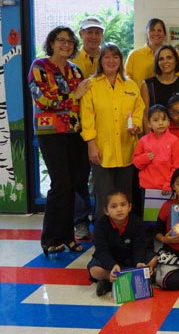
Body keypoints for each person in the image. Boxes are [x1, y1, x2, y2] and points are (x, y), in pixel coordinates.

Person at [28, 26, 91, 256]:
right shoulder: (40, 66)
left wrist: (71, 100)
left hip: (75, 132)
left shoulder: (75, 71)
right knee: (60, 184)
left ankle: (68, 236)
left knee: (74, 184)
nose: (65, 45)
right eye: (60, 40)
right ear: (52, 43)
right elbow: (43, 99)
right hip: (51, 132)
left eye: (69, 41)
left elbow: (82, 104)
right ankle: (50, 238)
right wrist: (72, 97)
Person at [80, 42, 144, 220]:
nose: (111, 60)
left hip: (127, 149)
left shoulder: (130, 85)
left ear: (121, 60)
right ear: (100, 60)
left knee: (125, 197)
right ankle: (103, 240)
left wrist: (136, 125)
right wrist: (91, 144)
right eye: (106, 56)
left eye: (115, 56)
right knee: (104, 198)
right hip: (101, 151)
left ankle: (124, 237)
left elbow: (139, 111)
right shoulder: (91, 85)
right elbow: (87, 118)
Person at [71, 16, 105, 239]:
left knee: (101, 179)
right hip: (76, 130)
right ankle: (81, 222)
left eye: (97, 32)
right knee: (79, 178)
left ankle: (101, 220)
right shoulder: (72, 60)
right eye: (89, 32)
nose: (93, 36)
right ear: (81, 34)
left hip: (102, 130)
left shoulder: (108, 57)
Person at [87, 190, 154, 296]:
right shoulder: (100, 225)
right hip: (111, 258)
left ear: (129, 207)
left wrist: (139, 262)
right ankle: (114, 278)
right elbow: (101, 250)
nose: (119, 209)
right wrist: (112, 265)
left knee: (154, 259)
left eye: (123, 205)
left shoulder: (137, 222)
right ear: (106, 210)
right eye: (114, 206)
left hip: (131, 256)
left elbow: (139, 245)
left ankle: (115, 281)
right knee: (94, 270)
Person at [125, 18, 179, 90]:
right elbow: (126, 81)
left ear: (164, 35)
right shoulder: (134, 55)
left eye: (159, 30)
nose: (156, 33)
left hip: (169, 99)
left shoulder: (173, 54)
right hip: (140, 100)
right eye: (152, 30)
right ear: (147, 34)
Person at [140, 44, 179, 129]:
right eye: (161, 59)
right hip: (156, 135)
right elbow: (146, 115)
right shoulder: (147, 85)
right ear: (157, 63)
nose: (165, 61)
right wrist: (150, 139)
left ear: (176, 61)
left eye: (169, 58)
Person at [133, 104, 179, 193]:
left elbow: (177, 166)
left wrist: (169, 184)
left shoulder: (174, 141)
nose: (160, 123)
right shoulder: (143, 140)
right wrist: (145, 158)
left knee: (165, 207)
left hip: (167, 187)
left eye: (164, 119)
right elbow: (136, 163)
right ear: (149, 124)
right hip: (146, 187)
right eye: (156, 120)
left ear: (169, 122)